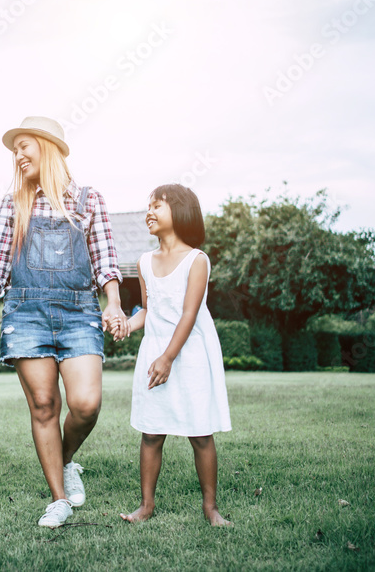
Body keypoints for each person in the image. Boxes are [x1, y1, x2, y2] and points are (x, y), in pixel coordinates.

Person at [0, 116, 128, 528]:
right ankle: (58, 498)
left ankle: (67, 458)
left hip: (79, 312)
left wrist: (113, 303)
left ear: (48, 146)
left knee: (86, 404)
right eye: (14, 150)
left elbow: (105, 259)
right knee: (44, 405)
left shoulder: (89, 200)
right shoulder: (14, 203)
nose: (18, 155)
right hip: (25, 312)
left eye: (24, 146)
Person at [118, 184, 232, 526]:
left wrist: (168, 357)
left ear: (181, 212)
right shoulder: (143, 262)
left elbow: (189, 314)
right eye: (148, 207)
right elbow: (148, 309)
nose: (149, 212)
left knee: (200, 433)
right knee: (151, 433)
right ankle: (146, 506)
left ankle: (210, 508)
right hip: (155, 354)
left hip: (190, 355)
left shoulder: (197, 260)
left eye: (158, 206)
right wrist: (127, 325)